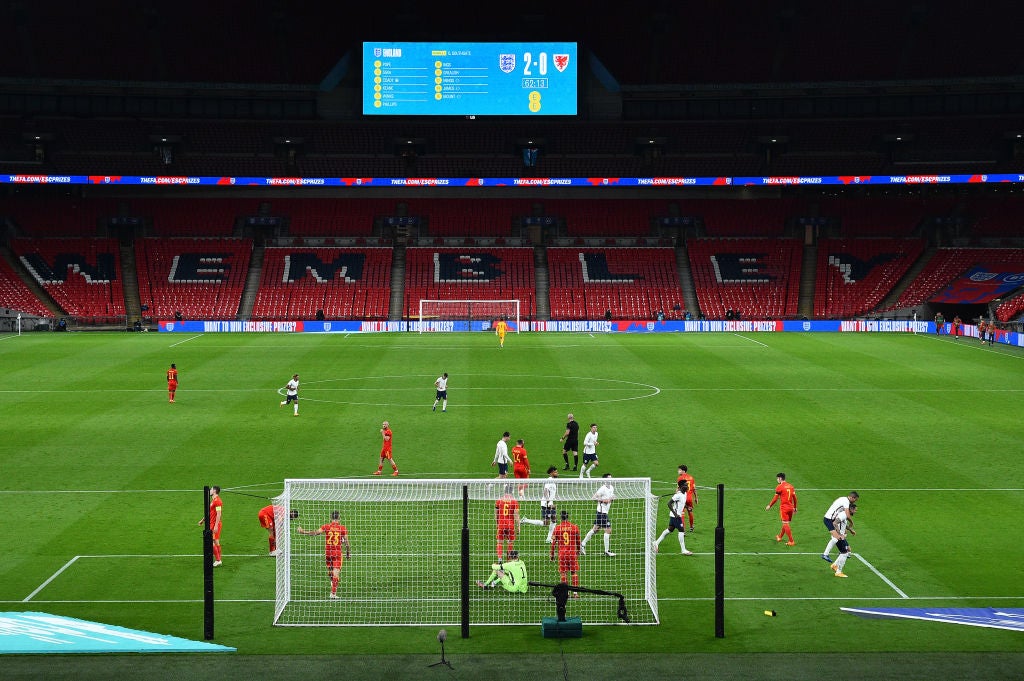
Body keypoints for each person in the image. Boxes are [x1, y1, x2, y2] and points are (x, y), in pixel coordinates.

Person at [297, 510, 351, 599]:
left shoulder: (326, 526)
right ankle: (333, 594)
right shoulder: (342, 528)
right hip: (337, 554)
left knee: (331, 572)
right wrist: (348, 553)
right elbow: (347, 543)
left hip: (328, 553)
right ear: (339, 518)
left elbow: (315, 533)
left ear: (331, 518)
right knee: (336, 573)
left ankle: (332, 582)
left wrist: (303, 531)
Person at [653, 479, 693, 555]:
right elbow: (669, 503)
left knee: (670, 529)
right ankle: (683, 550)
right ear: (681, 486)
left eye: (687, 485)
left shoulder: (684, 494)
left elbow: (682, 503)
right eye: (685, 485)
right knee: (681, 531)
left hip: (674, 516)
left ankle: (656, 543)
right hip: (676, 516)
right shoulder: (678, 495)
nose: (687, 486)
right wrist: (675, 514)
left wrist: (687, 507)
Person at [580, 473, 615, 556]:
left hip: (604, 512)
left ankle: (582, 545)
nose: (610, 479)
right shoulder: (602, 489)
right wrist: (603, 501)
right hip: (601, 512)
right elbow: (594, 497)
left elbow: (610, 498)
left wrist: (612, 498)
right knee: (608, 530)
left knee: (595, 529)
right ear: (605, 480)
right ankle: (607, 551)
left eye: (611, 478)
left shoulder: (612, 487)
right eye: (609, 478)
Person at [521, 465, 558, 543]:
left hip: (549, 503)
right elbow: (545, 491)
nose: (557, 473)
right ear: (551, 473)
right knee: (546, 523)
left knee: (554, 520)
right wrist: (549, 502)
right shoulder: (549, 480)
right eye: (555, 472)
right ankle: (525, 520)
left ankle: (549, 539)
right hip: (546, 504)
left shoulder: (553, 480)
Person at [549, 510, 581, 598]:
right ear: (568, 517)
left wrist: (551, 555)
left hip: (562, 554)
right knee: (574, 572)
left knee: (563, 573)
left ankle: (566, 593)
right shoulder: (574, 527)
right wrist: (578, 550)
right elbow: (578, 541)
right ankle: (575, 593)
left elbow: (553, 543)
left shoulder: (557, 528)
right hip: (572, 553)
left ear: (561, 517)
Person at [822, 491, 859, 561]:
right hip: (829, 519)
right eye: (855, 499)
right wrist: (851, 522)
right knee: (836, 538)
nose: (855, 501)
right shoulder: (846, 502)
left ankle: (839, 552)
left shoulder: (842, 498)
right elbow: (847, 514)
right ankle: (825, 554)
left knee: (837, 538)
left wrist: (850, 529)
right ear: (851, 497)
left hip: (830, 518)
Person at [765, 472, 798, 545]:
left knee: (785, 524)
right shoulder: (791, 486)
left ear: (780, 478)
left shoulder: (779, 487)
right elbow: (795, 498)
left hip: (784, 508)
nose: (777, 480)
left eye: (777, 478)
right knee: (786, 523)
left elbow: (775, 499)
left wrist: (769, 506)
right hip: (791, 508)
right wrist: (795, 507)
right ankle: (780, 537)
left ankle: (791, 541)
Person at [197, 485, 223, 566]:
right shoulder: (213, 500)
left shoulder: (217, 501)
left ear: (214, 491)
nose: (210, 490)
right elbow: (209, 512)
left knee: (210, 541)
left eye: (211, 489)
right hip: (212, 523)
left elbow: (219, 514)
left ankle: (218, 560)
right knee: (216, 542)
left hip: (215, 524)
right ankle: (219, 560)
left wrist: (215, 526)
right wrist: (203, 520)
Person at [829, 504, 857, 578]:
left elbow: (844, 524)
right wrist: (839, 534)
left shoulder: (844, 514)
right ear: (850, 509)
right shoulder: (843, 514)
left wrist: (850, 530)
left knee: (848, 549)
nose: (855, 511)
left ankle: (834, 565)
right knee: (845, 553)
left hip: (840, 536)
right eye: (855, 510)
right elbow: (835, 523)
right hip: (838, 536)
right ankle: (838, 572)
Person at [494, 484, 520, 559]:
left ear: (504, 490)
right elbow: (516, 515)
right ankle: (508, 561)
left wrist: (497, 524)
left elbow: (496, 514)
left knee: (499, 542)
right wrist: (518, 526)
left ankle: (499, 559)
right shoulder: (514, 501)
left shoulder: (499, 500)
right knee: (510, 542)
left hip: (501, 524)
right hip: (510, 525)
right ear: (512, 491)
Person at [676, 465, 698, 531]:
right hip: (689, 498)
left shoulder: (680, 478)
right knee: (690, 511)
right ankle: (691, 527)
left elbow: (678, 489)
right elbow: (694, 489)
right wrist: (696, 498)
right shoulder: (691, 478)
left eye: (679, 470)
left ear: (683, 471)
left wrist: (676, 497)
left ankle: (683, 530)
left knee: (682, 514)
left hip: (682, 498)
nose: (678, 471)